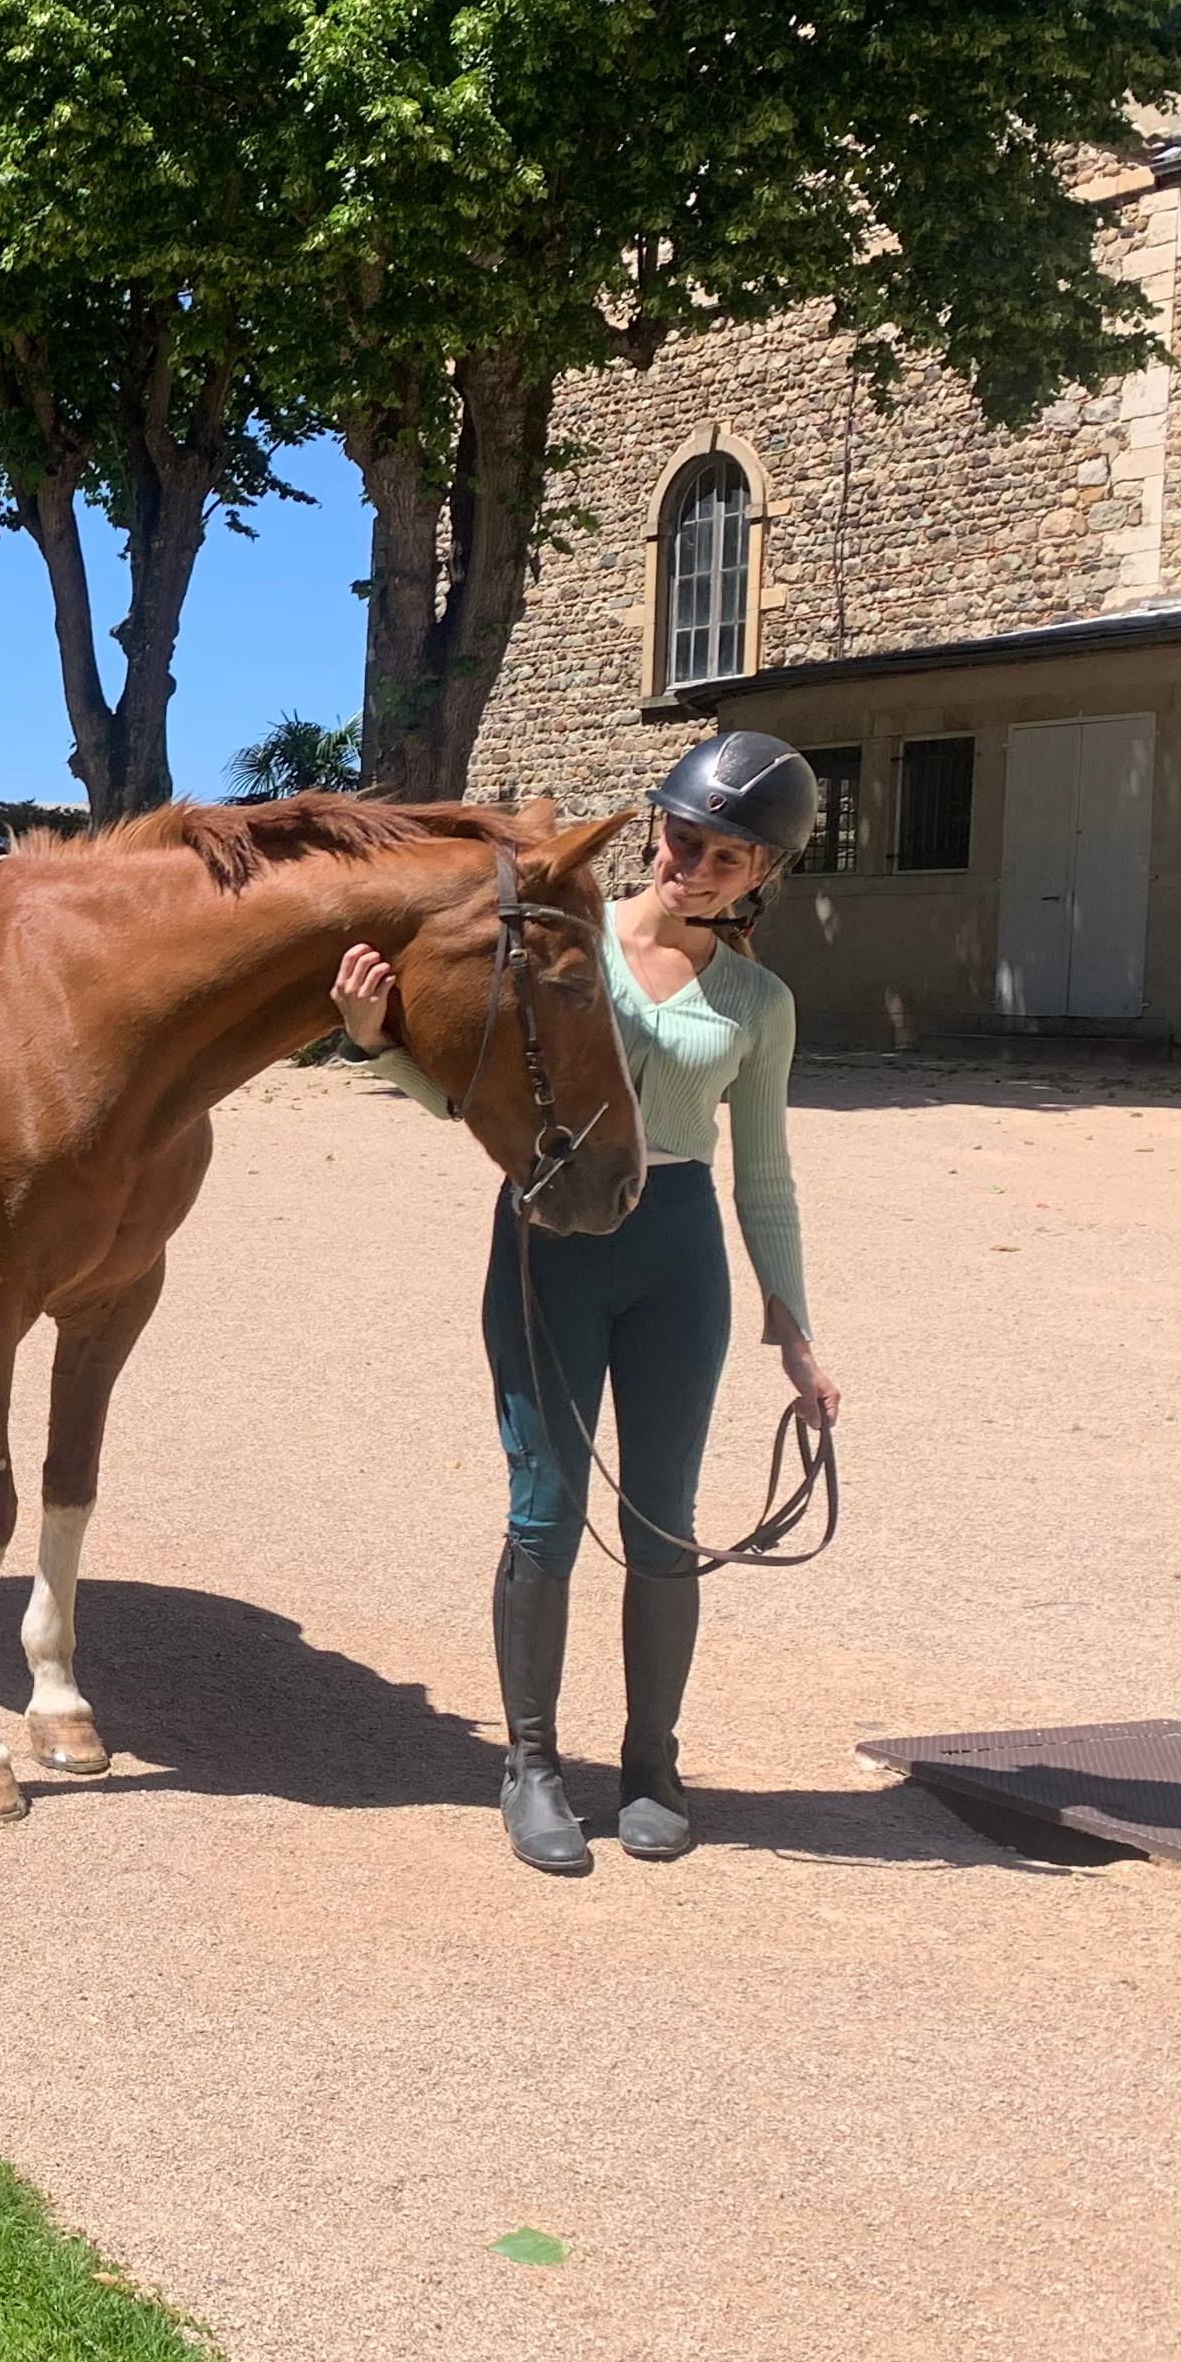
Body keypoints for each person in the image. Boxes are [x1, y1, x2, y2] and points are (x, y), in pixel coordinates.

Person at [330, 732, 847, 1874]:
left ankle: (652, 1765)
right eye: (681, 838)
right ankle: (531, 1766)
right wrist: (376, 1046)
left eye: (724, 856)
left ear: (762, 874)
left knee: (663, 1522)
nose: (691, 866)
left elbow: (764, 1174)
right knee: (546, 1510)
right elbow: (471, 1093)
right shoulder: (571, 940)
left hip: (678, 1255)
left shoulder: (760, 1003)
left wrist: (796, 1333)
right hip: (550, 1243)